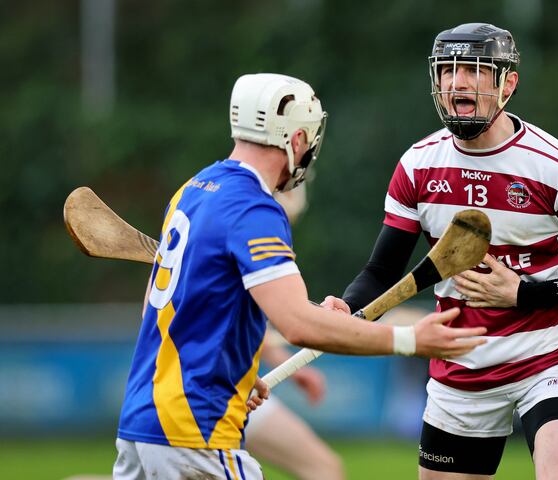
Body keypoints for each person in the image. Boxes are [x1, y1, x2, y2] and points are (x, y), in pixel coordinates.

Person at [112, 73, 488, 480]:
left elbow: (183, 312)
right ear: (294, 140)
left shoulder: (195, 189)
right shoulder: (253, 208)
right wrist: (410, 340)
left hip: (143, 424)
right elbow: (298, 324)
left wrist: (236, 372)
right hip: (193, 433)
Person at [321, 23, 558, 480]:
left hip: (547, 354)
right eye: (447, 70)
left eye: (473, 70)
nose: (457, 82)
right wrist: (348, 305)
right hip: (460, 360)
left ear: (507, 84)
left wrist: (525, 295)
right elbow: (383, 269)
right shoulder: (418, 166)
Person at [243, 184, 344, 480]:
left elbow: (248, 322)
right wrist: (406, 341)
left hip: (201, 391)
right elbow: (297, 321)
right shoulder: (250, 236)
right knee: (324, 469)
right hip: (211, 395)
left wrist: (290, 367)